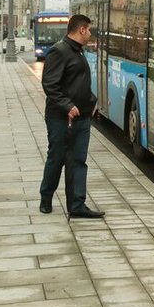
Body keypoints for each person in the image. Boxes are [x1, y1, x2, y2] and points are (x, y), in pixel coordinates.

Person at [39, 14, 105, 219]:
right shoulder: (59, 51)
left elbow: (80, 83)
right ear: (82, 30)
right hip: (60, 118)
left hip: (82, 117)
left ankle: (77, 205)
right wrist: (67, 106)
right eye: (89, 30)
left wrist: (91, 102)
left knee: (78, 160)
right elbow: (50, 84)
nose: (90, 34)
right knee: (57, 158)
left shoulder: (78, 52)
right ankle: (46, 197)